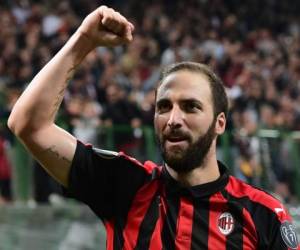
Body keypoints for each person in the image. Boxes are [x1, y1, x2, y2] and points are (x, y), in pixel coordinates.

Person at [7, 5, 299, 250]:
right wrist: (83, 40)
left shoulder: (262, 214)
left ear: (219, 123)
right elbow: (28, 125)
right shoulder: (124, 184)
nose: (173, 119)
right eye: (163, 107)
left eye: (190, 107)